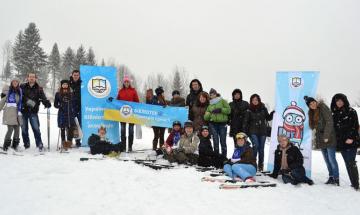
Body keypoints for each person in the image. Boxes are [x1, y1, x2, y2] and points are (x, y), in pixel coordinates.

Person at [304, 96, 339, 185]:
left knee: (332, 159)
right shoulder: (311, 112)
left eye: (313, 102)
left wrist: (326, 135)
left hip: (329, 136)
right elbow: (312, 126)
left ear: (316, 101)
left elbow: (329, 121)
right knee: (327, 160)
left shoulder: (323, 107)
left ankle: (336, 178)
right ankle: (331, 177)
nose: (312, 105)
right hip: (320, 138)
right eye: (310, 104)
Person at [331, 93, 359, 190]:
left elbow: (355, 126)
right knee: (347, 162)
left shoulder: (351, 111)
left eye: (340, 100)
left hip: (351, 141)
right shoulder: (334, 113)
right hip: (342, 143)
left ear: (344, 101)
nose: (338, 102)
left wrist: (351, 137)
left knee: (351, 162)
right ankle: (353, 183)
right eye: (337, 101)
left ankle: (356, 184)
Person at [243, 94, 274, 171]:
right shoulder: (248, 110)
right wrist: (245, 133)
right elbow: (245, 122)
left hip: (262, 131)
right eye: (253, 100)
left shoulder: (263, 108)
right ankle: (253, 163)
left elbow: (268, 118)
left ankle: (261, 165)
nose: (255, 101)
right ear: (251, 101)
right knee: (256, 146)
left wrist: (273, 113)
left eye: (256, 100)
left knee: (261, 148)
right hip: (252, 131)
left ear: (259, 100)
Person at [20, 72, 51, 151]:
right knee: (24, 129)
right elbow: (20, 96)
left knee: (36, 128)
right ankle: (26, 144)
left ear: (35, 78)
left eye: (33, 77)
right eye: (30, 77)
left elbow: (43, 98)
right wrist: (30, 102)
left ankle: (39, 144)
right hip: (24, 111)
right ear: (28, 78)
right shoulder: (22, 86)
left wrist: (46, 102)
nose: (31, 78)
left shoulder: (39, 88)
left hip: (33, 112)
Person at [115, 75, 139, 152]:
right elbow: (117, 101)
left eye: (127, 82)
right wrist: (113, 101)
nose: (126, 83)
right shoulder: (120, 91)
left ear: (129, 83)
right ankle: (123, 146)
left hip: (131, 114)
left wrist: (136, 109)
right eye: (125, 82)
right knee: (122, 131)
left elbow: (137, 102)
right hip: (122, 114)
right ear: (123, 83)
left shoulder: (133, 91)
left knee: (131, 131)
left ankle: (130, 146)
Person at [204, 88, 231, 157]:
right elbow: (206, 117)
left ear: (216, 94)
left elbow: (229, 110)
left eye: (213, 94)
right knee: (215, 142)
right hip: (213, 124)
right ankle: (216, 158)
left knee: (223, 142)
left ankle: (224, 158)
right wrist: (209, 114)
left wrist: (221, 110)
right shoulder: (210, 104)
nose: (212, 95)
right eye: (211, 94)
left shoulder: (222, 101)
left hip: (222, 124)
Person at [0, 78, 23, 151]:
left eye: (17, 81)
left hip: (17, 113)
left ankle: (15, 145)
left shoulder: (20, 91)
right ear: (11, 83)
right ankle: (6, 146)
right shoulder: (8, 91)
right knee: (10, 129)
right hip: (9, 112)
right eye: (14, 81)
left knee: (17, 129)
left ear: (18, 83)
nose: (15, 83)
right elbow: (2, 101)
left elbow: (22, 101)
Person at [54, 80, 76, 149]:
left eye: (66, 84)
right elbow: (55, 104)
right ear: (61, 85)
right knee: (62, 128)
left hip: (70, 113)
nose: (65, 85)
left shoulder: (72, 93)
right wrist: (59, 106)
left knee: (70, 128)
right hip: (62, 113)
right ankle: (63, 142)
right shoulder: (58, 93)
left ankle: (69, 142)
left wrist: (72, 108)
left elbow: (74, 103)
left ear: (68, 85)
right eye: (63, 84)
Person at [69, 70, 82, 147]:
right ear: (72, 75)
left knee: (79, 124)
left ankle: (78, 140)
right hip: (71, 106)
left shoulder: (82, 83)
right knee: (71, 124)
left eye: (77, 75)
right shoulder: (68, 83)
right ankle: (70, 140)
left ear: (79, 75)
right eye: (74, 75)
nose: (76, 76)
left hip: (80, 106)